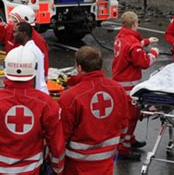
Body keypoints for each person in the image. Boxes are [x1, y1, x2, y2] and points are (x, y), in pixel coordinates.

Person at [0, 46, 65, 174]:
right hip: (34, 170)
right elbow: (56, 144)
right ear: (34, 70)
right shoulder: (47, 104)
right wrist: (57, 168)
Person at [59, 46, 129, 174]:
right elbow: (124, 123)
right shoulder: (118, 89)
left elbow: (62, 135)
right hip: (106, 162)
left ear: (79, 67)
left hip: (77, 165)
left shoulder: (70, 96)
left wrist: (56, 165)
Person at [112, 11, 159, 160]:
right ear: (134, 24)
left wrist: (146, 41)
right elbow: (144, 62)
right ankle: (124, 149)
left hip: (120, 83)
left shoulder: (121, 37)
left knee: (128, 116)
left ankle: (129, 139)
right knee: (130, 117)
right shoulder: (132, 43)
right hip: (129, 87)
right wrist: (154, 52)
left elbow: (133, 45)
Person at [0, 4, 49, 77]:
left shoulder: (38, 43)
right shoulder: (11, 30)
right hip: (11, 76)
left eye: (15, 21)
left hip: (27, 80)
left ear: (24, 23)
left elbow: (43, 69)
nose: (12, 24)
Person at [14, 21, 48, 94]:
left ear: (24, 33)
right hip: (40, 90)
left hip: (36, 93)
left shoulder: (28, 52)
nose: (14, 35)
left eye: (16, 32)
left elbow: (32, 77)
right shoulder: (34, 48)